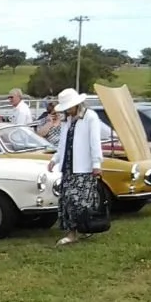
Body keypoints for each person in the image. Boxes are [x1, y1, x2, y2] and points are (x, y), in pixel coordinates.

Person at [46, 88, 103, 245]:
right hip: (68, 167)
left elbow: (95, 142)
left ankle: (83, 229)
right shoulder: (67, 120)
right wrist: (55, 159)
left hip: (83, 168)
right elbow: (63, 144)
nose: (67, 111)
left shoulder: (90, 117)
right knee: (68, 200)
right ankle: (73, 232)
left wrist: (96, 163)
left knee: (80, 201)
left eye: (68, 107)